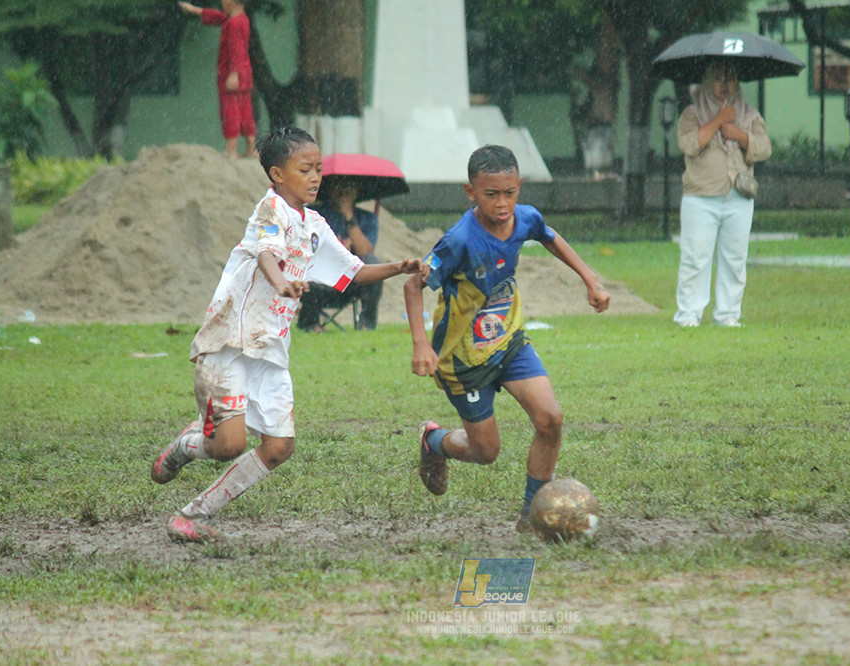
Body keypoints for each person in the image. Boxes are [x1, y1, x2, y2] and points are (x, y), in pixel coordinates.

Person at [151, 126, 423, 543]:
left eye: (318, 169)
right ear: (277, 174)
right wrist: (280, 282)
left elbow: (352, 272)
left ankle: (193, 516)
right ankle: (188, 445)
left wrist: (396, 268)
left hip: (271, 353)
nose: (316, 177)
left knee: (279, 447)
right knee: (227, 444)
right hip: (230, 344)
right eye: (305, 169)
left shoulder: (313, 225)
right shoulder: (270, 210)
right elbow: (266, 254)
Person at [403, 144, 611, 533]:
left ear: (520, 186)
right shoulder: (458, 241)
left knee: (550, 418)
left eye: (510, 193)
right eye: (491, 194)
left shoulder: (525, 218)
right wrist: (420, 344)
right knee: (486, 452)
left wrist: (590, 278)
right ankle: (434, 442)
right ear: (470, 192)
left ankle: (533, 514)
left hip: (509, 341)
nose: (503, 204)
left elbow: (549, 236)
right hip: (462, 359)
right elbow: (414, 286)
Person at [673, 62, 771, 328]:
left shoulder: (749, 115)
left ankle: (728, 314)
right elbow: (689, 144)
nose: (725, 85)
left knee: (735, 259)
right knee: (695, 257)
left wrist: (739, 134)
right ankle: (689, 314)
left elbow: (764, 148)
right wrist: (718, 121)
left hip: (739, 197)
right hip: (700, 197)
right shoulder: (693, 113)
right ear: (706, 82)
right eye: (718, 79)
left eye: (730, 79)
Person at [297, 177, 383, 331]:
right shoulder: (314, 214)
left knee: (373, 264)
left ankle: (366, 324)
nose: (344, 193)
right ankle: (310, 323)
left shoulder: (368, 218)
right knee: (308, 269)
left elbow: (365, 251)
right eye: (339, 188)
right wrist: (333, 250)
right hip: (320, 279)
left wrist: (348, 216)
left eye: (349, 189)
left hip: (351, 280)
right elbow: (302, 247)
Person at [178, 0, 257, 159]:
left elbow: (237, 50)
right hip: (244, 73)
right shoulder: (240, 19)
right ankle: (251, 148)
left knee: (231, 112)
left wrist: (234, 74)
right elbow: (219, 18)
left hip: (232, 75)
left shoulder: (233, 24)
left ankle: (231, 151)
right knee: (245, 111)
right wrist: (196, 11)